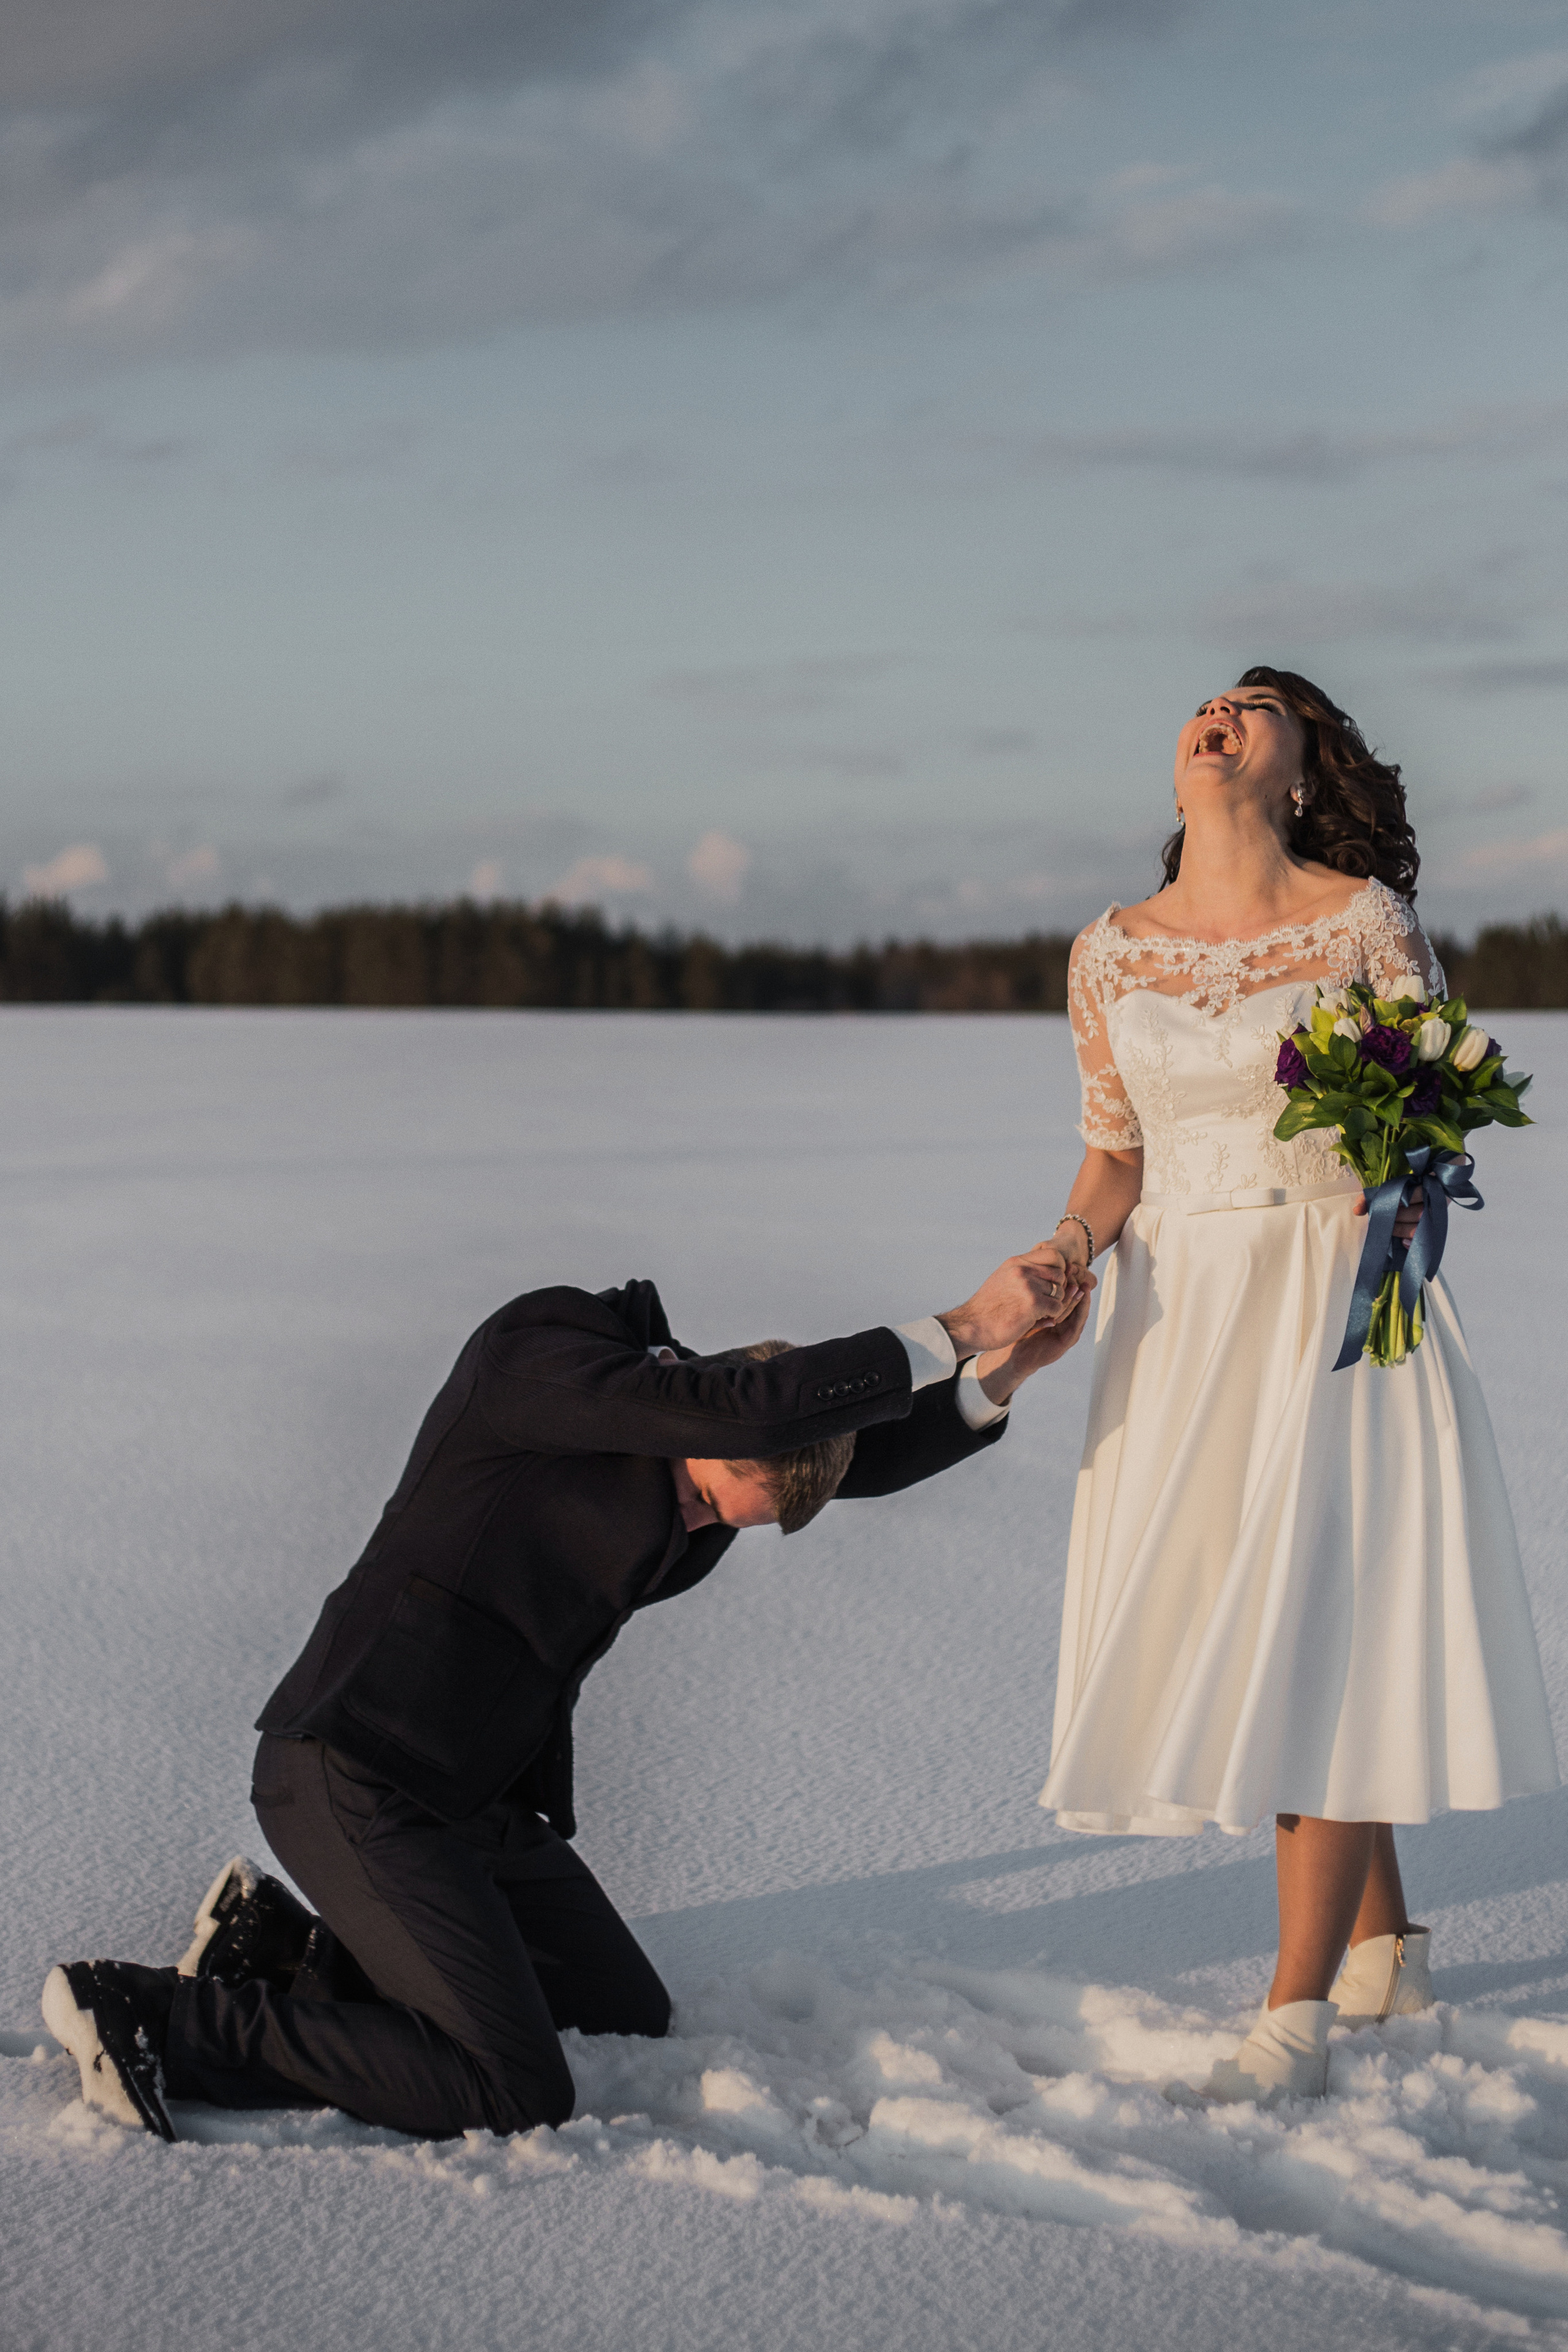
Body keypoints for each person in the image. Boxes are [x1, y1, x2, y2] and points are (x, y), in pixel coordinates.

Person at [45, 1246, 1091, 2143]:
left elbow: (838, 1451)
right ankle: (157, 2018)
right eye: (705, 1501)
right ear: (716, 1415)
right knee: (512, 2086)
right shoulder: (541, 1359)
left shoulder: (709, 1448)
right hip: (357, 1767)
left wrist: (1002, 1373)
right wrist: (963, 1322)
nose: (695, 1527)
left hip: (470, 1801)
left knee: (621, 2012)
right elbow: (755, 1408)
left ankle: (283, 1953)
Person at [1038, 665, 1559, 2107]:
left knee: (1308, 1630)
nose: (1217, 712)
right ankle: (1381, 1942)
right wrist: (1070, 1246)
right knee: (1262, 1618)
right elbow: (1115, 1151)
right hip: (1179, 1320)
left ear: (1297, 769)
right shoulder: (1106, 953)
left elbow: (1433, 1107)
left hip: (1334, 1304)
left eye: (1254, 707)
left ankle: (1292, 2017)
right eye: (1204, 700)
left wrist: (1389, 1193)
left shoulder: (1359, 921)